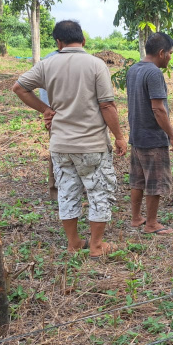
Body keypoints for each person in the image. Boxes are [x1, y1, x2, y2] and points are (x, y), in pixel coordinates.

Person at [12, 20, 126, 259]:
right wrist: (119, 137)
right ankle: (96, 245)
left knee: (67, 191)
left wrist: (45, 109)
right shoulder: (96, 64)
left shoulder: (48, 64)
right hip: (91, 144)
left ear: (58, 42)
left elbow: (19, 88)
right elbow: (107, 104)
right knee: (99, 193)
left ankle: (74, 243)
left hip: (61, 144)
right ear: (83, 40)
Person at [126, 32, 173, 234]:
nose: (170, 58)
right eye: (170, 53)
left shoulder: (133, 70)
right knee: (155, 181)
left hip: (137, 135)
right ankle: (151, 223)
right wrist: (172, 136)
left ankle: (136, 217)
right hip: (152, 137)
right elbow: (158, 109)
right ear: (161, 52)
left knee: (138, 179)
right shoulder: (154, 73)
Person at [39, 48, 59, 201]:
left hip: (75, 115)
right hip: (56, 115)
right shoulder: (50, 61)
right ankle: (55, 191)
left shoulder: (81, 59)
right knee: (56, 153)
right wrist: (48, 112)